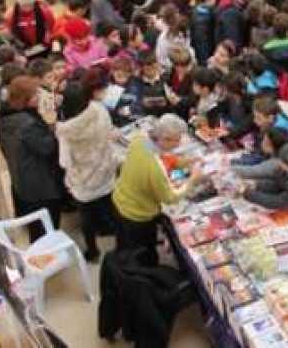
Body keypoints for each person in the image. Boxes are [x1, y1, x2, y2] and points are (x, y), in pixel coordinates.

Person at [111, 114, 206, 264]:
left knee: (123, 246)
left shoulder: (141, 139)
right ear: (166, 139)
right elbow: (171, 197)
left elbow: (161, 156)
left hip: (120, 200)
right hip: (138, 215)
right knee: (143, 256)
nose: (179, 144)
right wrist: (193, 179)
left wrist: (185, 161)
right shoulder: (155, 168)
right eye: (177, 140)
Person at [56, 74, 121, 261]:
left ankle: (92, 250)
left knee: (87, 218)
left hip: (82, 181)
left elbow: (64, 162)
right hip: (105, 170)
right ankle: (120, 243)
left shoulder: (65, 132)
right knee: (111, 207)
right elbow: (109, 133)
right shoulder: (99, 110)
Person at [0, 76, 65, 243]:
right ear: (25, 100)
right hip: (41, 185)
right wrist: (51, 123)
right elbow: (49, 148)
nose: (39, 97)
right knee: (47, 226)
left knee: (36, 226)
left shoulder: (5, 119)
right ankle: (48, 257)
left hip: (23, 181)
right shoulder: (28, 125)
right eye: (35, 95)